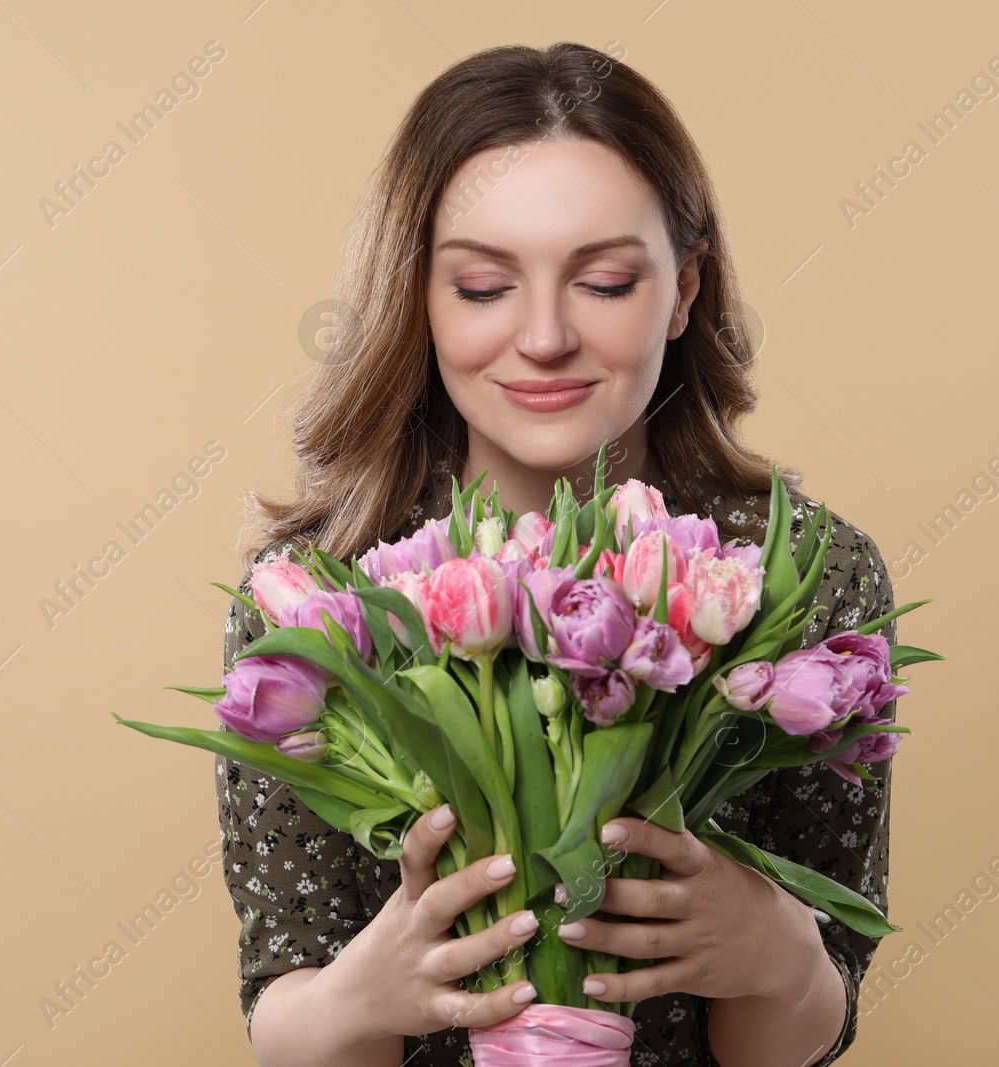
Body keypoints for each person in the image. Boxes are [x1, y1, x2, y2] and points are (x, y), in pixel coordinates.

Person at [213, 41, 899, 1066]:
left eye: (606, 280)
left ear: (682, 289)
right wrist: (366, 989)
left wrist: (778, 951)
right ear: (420, 298)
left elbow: (796, 1035)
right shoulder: (317, 591)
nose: (542, 336)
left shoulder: (799, 578)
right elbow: (289, 1012)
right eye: (483, 285)